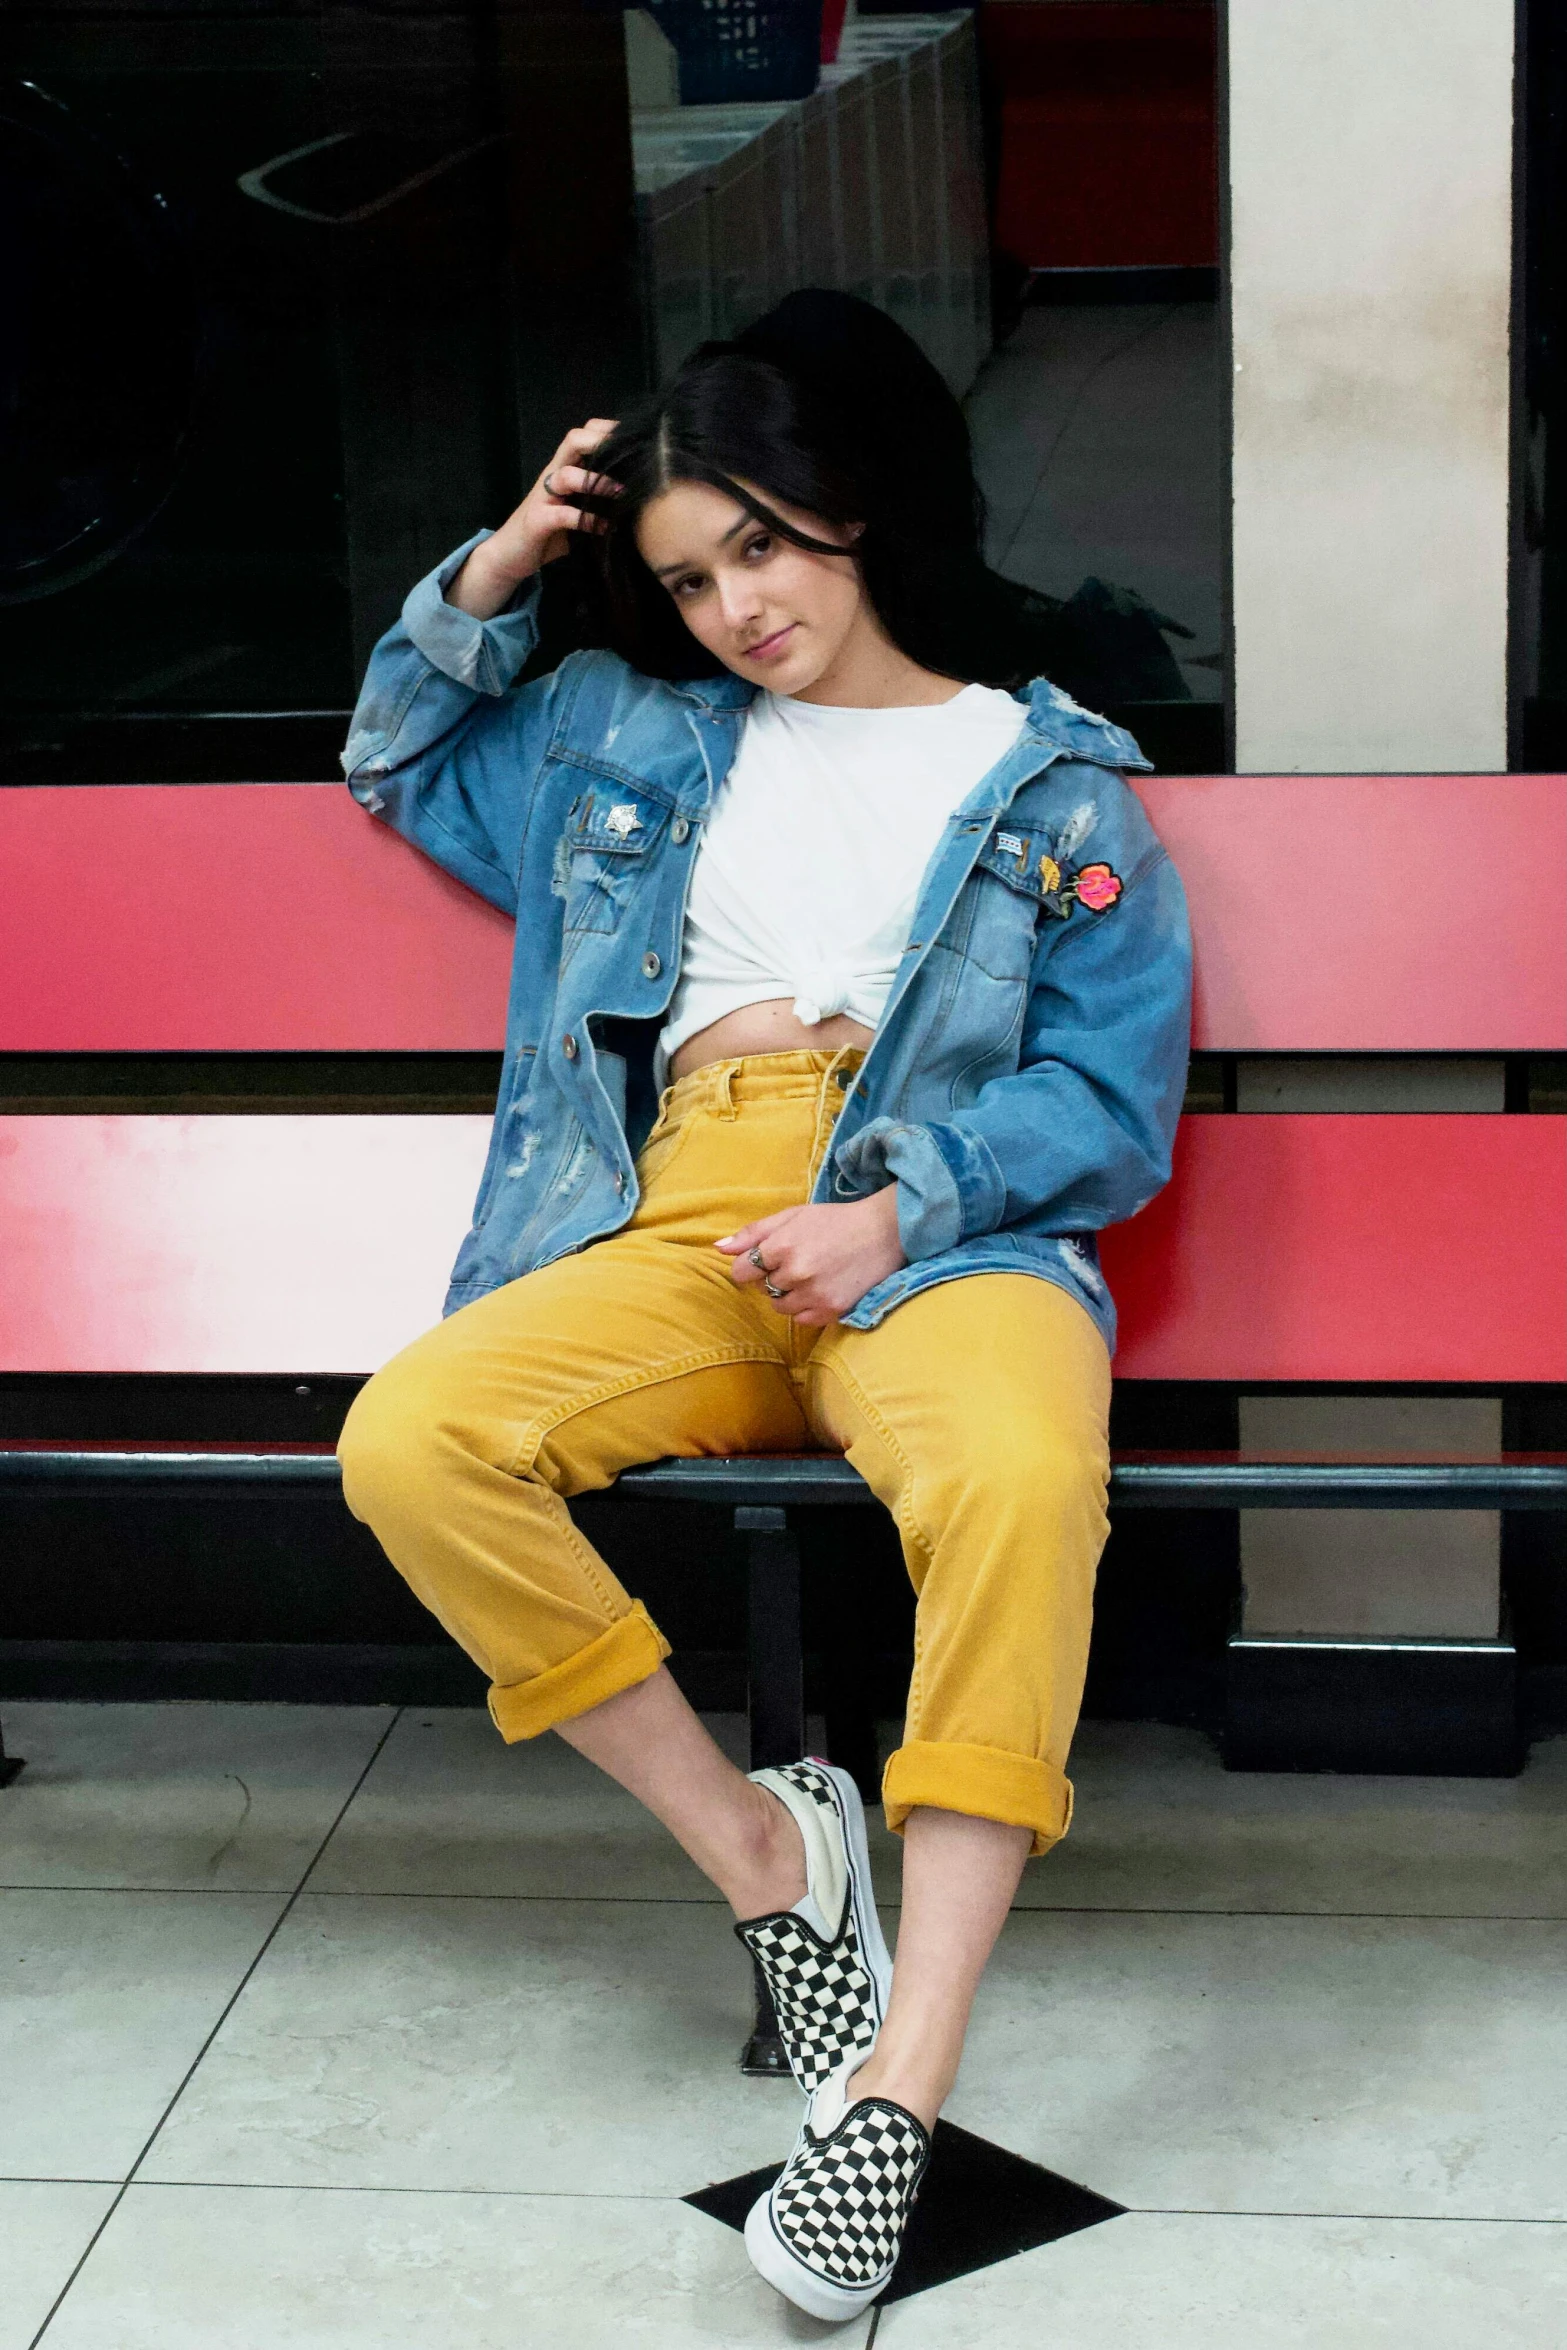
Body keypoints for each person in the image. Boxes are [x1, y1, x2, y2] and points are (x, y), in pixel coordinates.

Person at [336, 290, 1191, 2324]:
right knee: (414, 1439)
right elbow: (396, 745)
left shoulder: (1051, 776)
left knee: (1013, 1479)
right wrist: (505, 562)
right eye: (689, 574)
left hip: (945, 1234)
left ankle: (904, 2078)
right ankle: (766, 1860)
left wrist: (901, 1212)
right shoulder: (623, 736)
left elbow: (1112, 1097)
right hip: (677, 1216)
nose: (735, 606)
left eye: (764, 548)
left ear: (850, 510)